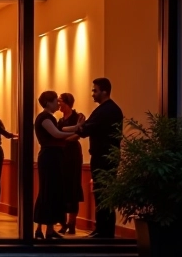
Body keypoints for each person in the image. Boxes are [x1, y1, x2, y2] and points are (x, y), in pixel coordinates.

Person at [76, 78, 124, 239]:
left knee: (103, 194)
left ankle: (103, 231)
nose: (92, 94)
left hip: (103, 158)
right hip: (108, 156)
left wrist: (80, 125)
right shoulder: (111, 110)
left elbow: (85, 129)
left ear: (104, 91)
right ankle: (103, 229)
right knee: (104, 194)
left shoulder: (105, 111)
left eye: (94, 90)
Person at [35, 91, 81, 240]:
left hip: (53, 157)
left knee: (52, 192)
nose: (58, 104)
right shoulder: (45, 117)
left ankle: (48, 229)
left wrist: (77, 127)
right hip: (50, 158)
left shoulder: (50, 118)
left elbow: (61, 129)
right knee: (48, 191)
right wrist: (78, 129)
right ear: (48, 102)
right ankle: (40, 229)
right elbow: (57, 134)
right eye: (56, 101)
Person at [57, 93, 85, 235]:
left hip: (73, 154)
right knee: (62, 187)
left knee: (73, 186)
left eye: (60, 101)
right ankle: (63, 223)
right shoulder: (60, 120)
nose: (58, 104)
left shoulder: (77, 116)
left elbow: (79, 134)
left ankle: (71, 223)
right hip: (62, 154)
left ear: (67, 102)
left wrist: (65, 139)